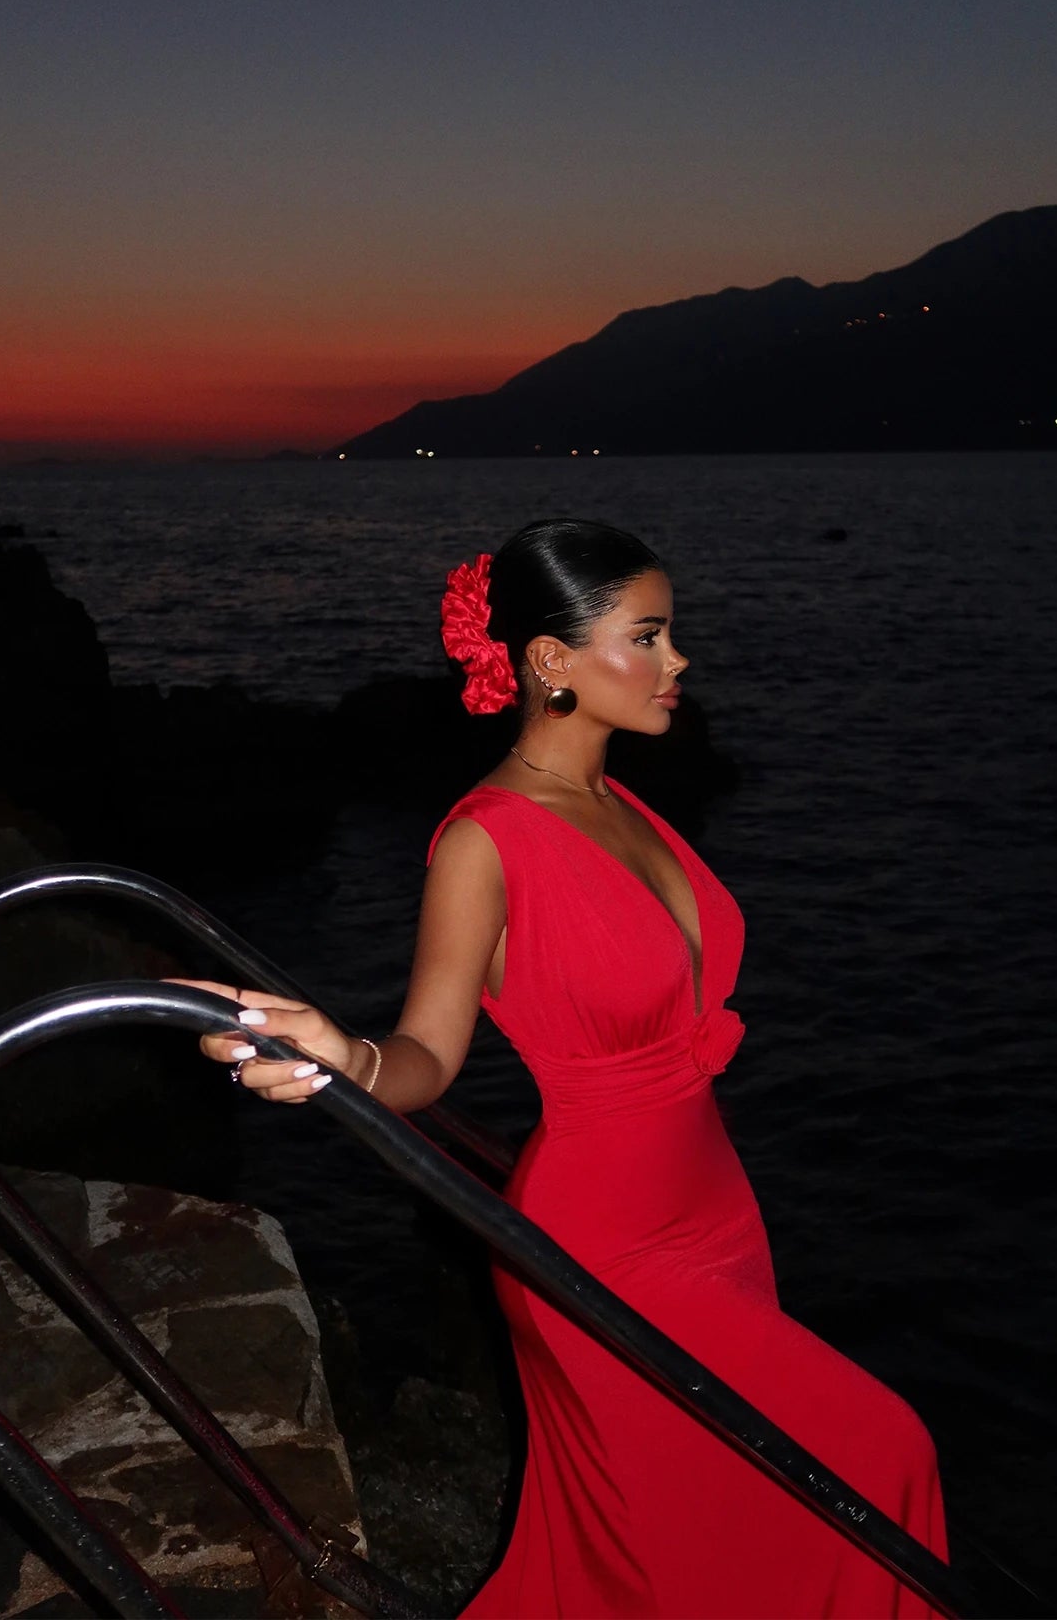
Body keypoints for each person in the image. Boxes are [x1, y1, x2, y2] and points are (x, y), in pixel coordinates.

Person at [187, 517, 947, 1618]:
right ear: (552, 659)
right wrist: (346, 1058)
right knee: (879, 1456)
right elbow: (427, 1053)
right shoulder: (484, 840)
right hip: (606, 1248)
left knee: (713, 1540)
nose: (678, 659)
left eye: (669, 634)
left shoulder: (621, 804)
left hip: (718, 1217)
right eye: (647, 636)